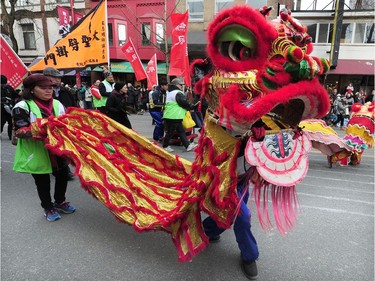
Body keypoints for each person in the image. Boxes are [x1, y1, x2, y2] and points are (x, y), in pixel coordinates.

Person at [12, 74, 76, 222]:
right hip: (37, 150)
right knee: (42, 181)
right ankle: (48, 207)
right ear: (32, 90)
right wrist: (43, 129)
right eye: (43, 88)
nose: (49, 91)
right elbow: (20, 130)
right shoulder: (22, 106)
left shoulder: (58, 104)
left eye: (50, 88)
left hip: (56, 148)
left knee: (62, 175)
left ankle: (60, 201)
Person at [162, 77, 198, 152]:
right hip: (174, 116)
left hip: (172, 115)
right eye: (181, 85)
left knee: (180, 131)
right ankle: (165, 146)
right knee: (170, 132)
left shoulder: (170, 92)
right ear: (177, 85)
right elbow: (185, 102)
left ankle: (187, 145)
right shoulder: (177, 93)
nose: (182, 86)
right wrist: (192, 106)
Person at [1, 75, 18, 140]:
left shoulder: (9, 88)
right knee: (3, 122)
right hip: (4, 108)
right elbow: (15, 96)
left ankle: (10, 136)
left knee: (10, 122)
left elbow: (15, 96)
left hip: (8, 108)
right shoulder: (9, 88)